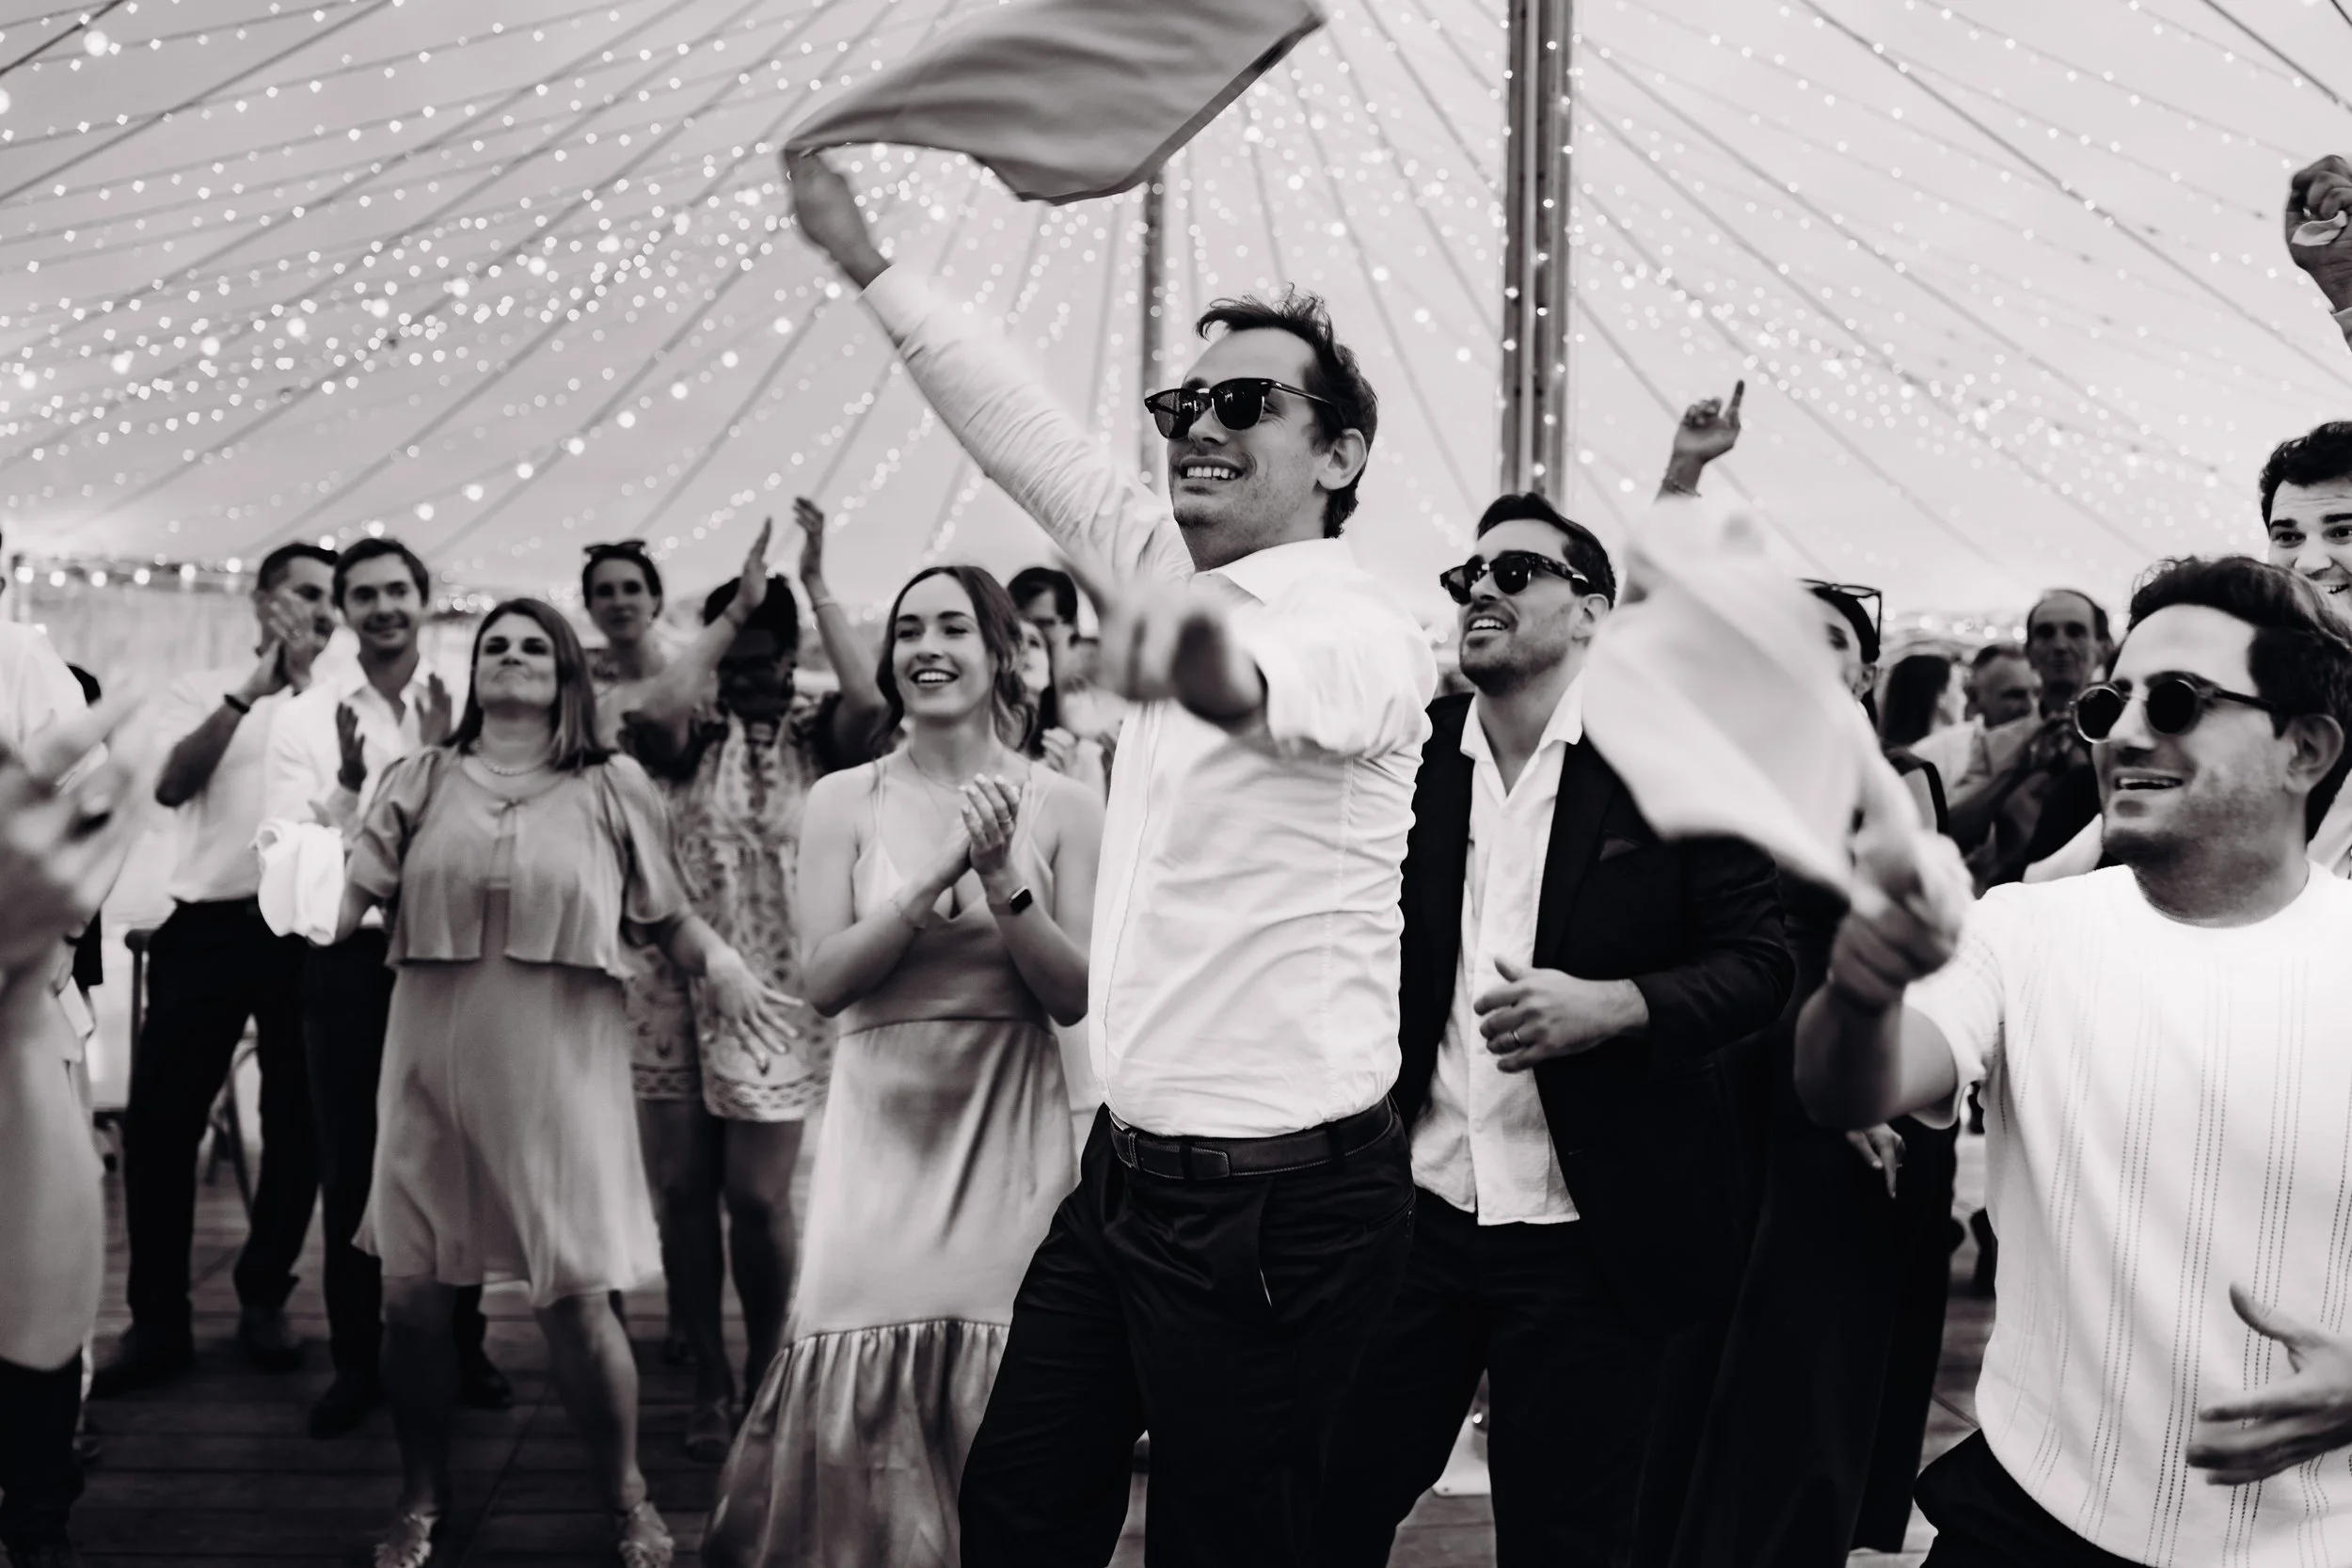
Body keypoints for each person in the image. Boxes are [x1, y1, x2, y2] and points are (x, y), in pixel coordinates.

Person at [789, 150, 1437, 1566]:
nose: (1196, 424)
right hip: (1130, 1175)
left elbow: (1289, 690)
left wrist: (1186, 655)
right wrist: (869, 263)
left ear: (1338, 454)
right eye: (1181, 404)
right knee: (1020, 1501)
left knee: (1233, 1543)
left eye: (1244, 402)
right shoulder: (1161, 565)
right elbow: (1021, 429)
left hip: (1279, 1207)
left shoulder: (1365, 628)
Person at [1797, 555, 2352, 1566]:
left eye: (2179, 700)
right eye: (2112, 700)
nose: (2127, 730)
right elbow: (1850, 1086)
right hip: (2031, 1513)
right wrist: (1861, 988)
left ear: (2304, 747)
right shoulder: (2022, 928)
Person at [1310, 488, 1792, 1568]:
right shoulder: (1409, 758)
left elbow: (1762, 965)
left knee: (1566, 1538)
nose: (1480, 586)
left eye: (1515, 570)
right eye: (1466, 575)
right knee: (1328, 1500)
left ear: (1591, 610)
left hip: (1591, 1226)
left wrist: (1618, 1005)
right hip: (1413, 1208)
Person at [332, 599, 791, 1568]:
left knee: (576, 1299)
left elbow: (668, 914)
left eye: (533, 644)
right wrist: (300, 862)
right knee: (411, 1299)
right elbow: (340, 906)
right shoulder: (418, 777)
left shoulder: (611, 784)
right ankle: (419, 1493)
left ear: (568, 674)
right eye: (495, 644)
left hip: (558, 1073)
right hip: (428, 1072)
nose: (511, 656)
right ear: (475, 675)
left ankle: (626, 1496)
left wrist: (722, 964)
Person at [706, 565, 1104, 1567]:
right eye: (909, 629)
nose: (928, 646)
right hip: (877, 1146)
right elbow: (827, 978)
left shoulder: (1065, 803)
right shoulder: (844, 799)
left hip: (1009, 1134)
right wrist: (932, 875)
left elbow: (1072, 990)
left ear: (1005, 652)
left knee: (1003, 1403)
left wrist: (1007, 873)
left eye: (954, 627)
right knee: (857, 1390)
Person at [616, 514, 888, 1448]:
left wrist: (814, 585)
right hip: (670, 979)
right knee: (683, 1188)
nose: (751, 676)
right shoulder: (689, 732)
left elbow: (869, 691)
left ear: (792, 659)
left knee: (759, 1197)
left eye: (769, 658)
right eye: (739, 657)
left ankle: (772, 1362)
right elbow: (650, 709)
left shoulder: (823, 735)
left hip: (773, 995)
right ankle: (710, 1377)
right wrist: (730, 614)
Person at [261, 537, 509, 1438]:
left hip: (459, 956)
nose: (381, 607)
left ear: (423, 598)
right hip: (348, 960)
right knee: (352, 1160)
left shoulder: (476, 706)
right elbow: (289, 858)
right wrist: (374, 793)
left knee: (463, 1153)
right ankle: (357, 1359)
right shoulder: (305, 717)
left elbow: (493, 835)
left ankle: (465, 1345)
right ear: (345, 607)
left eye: (396, 589)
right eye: (362, 594)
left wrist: (427, 771)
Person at [91, 544, 338, 1398]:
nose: (321, 609)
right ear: (264, 601)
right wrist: (251, 692)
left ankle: (265, 1292)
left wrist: (306, 692)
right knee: (162, 1123)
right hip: (205, 923)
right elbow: (169, 786)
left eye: (331, 597)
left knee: (298, 1123)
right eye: (305, 592)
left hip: (307, 928)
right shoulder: (203, 688)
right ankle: (157, 1321)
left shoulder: (345, 697)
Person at [0, 643, 139, 1568]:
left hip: (12, 1012)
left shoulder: (19, 658)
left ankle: (37, 1509)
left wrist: (34, 947)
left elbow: (79, 831)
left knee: (29, 1274)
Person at [1946, 590, 2110, 888]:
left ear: (2103, 647)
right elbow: (1950, 835)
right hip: (2019, 903)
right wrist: (2014, 772)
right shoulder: (1996, 744)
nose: (2060, 645)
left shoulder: (2124, 736)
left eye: (2075, 631)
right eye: (2046, 634)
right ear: (2030, 652)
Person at [1910, 643, 2037, 793]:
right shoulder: (1934, 756)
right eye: (2015, 695)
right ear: (1976, 697)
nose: (2031, 706)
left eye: (2037, 693)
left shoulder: (2054, 751)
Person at [1879, 651, 1957, 755]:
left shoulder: (1881, 754)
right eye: (1961, 688)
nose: (1965, 698)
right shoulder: (1939, 759)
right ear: (1940, 697)